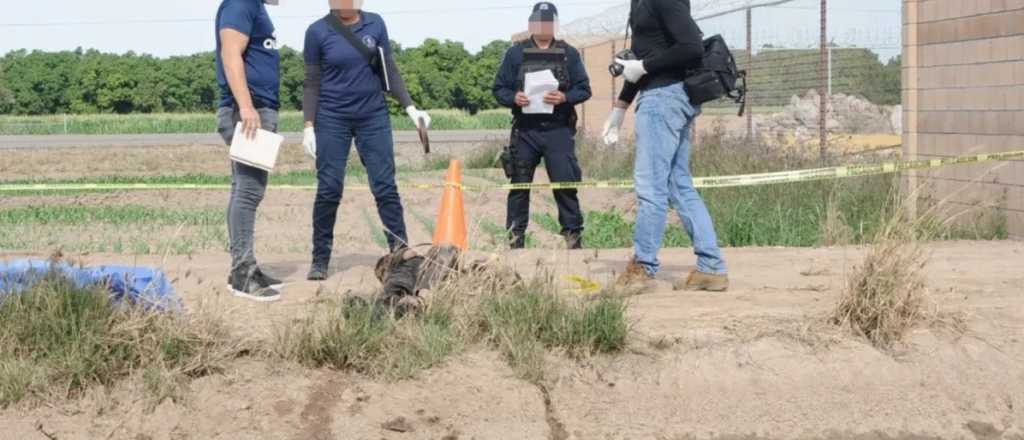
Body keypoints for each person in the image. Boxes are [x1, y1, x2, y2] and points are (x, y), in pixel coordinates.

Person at [601, 0, 729, 291]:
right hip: (664, 95)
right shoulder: (641, 3)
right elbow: (642, 60)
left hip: (663, 98)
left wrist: (644, 66)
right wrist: (621, 107)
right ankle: (711, 268)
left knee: (650, 186)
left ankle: (642, 269)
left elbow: (691, 46)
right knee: (677, 184)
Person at [302, 0, 432, 281]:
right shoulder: (317, 31)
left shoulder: (376, 23)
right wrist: (309, 126)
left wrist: (410, 107)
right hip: (332, 117)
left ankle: (400, 252)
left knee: (385, 185)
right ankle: (320, 259)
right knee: (329, 188)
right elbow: (312, 81)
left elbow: (390, 70)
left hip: (372, 116)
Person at [493, 2, 592, 250]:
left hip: (558, 129)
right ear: (530, 24)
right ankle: (515, 241)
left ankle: (573, 238)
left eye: (548, 22)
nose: (543, 26)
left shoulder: (569, 53)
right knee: (519, 186)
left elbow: (584, 88)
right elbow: (499, 89)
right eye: (538, 21)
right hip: (526, 130)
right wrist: (513, 97)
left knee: (564, 185)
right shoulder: (515, 54)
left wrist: (565, 97)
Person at [215, 0, 284, 302]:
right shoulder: (241, 3)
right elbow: (231, 55)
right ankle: (243, 271)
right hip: (247, 110)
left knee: (243, 188)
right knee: (249, 191)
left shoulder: (254, 6)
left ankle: (244, 268)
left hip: (255, 108)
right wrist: (246, 106)